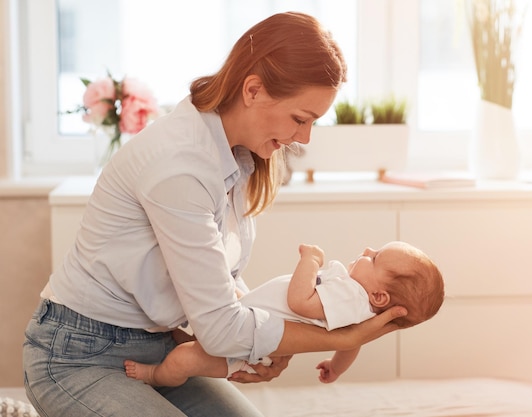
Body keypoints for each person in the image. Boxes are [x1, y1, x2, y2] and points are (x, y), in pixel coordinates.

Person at [22, 11, 408, 417]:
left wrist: (265, 337)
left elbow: (220, 286)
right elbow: (221, 330)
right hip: (77, 355)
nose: (304, 138)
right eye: (300, 119)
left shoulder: (236, 155)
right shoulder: (181, 165)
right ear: (253, 90)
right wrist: (344, 338)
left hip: (160, 345)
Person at [124, 241, 445, 386]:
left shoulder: (353, 297)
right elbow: (351, 342)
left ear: (379, 295)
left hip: (247, 346)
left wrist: (311, 260)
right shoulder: (356, 306)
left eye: (375, 258)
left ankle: (155, 376)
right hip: (247, 318)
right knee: (213, 294)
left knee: (184, 359)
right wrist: (336, 368)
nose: (366, 251)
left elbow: (299, 302)